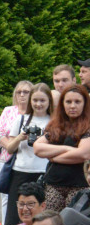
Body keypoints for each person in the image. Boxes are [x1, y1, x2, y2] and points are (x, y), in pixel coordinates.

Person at [2, 82, 51, 225]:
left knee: (41, 216)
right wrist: (20, 137)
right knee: (13, 217)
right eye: (35, 100)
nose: (38, 104)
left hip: (43, 173)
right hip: (20, 171)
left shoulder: (53, 122)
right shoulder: (22, 120)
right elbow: (9, 148)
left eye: (42, 100)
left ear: (49, 101)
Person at [33, 83, 90, 212]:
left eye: (77, 101)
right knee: (50, 223)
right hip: (53, 183)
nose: (73, 106)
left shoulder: (88, 126)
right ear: (62, 104)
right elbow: (37, 148)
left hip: (79, 185)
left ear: (85, 104)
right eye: (68, 102)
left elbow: (83, 154)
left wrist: (52, 157)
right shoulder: (56, 124)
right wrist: (67, 149)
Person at [0, 80, 32, 218]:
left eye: (26, 92)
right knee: (6, 194)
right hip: (5, 158)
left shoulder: (35, 114)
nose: (22, 95)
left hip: (27, 159)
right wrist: (11, 145)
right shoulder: (8, 110)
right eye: (19, 92)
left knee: (26, 194)